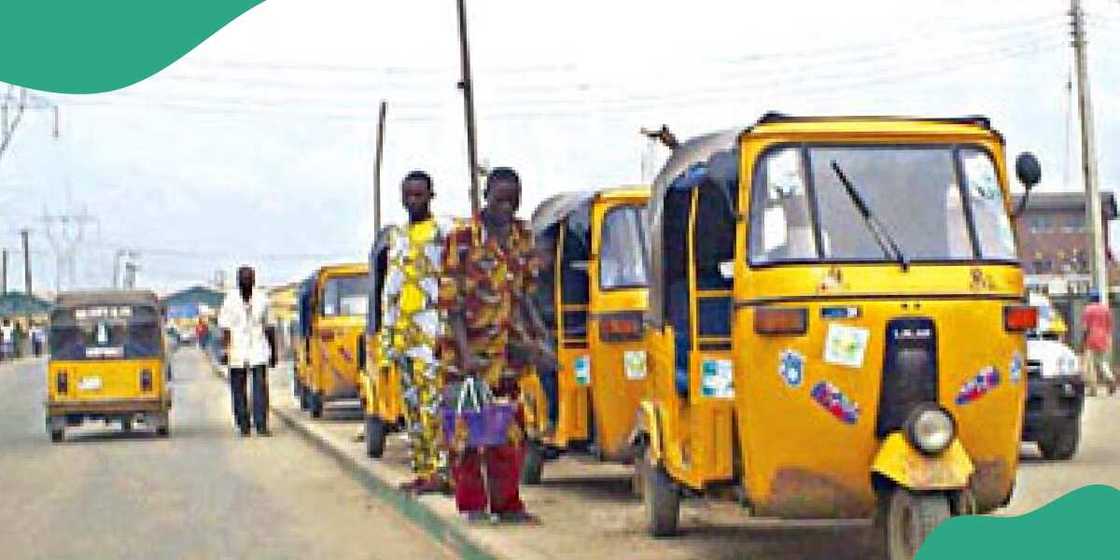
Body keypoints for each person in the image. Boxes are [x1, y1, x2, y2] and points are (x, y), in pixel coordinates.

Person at [438, 167, 556, 523]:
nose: (507, 207)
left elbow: (524, 294)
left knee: (508, 431)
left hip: (508, 351)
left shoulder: (523, 236)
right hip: (466, 353)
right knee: (468, 434)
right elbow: (451, 304)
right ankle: (473, 505)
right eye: (500, 199)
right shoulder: (461, 239)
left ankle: (507, 505)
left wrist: (540, 337)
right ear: (486, 196)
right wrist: (467, 354)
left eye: (514, 200)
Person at [377, 170, 451, 494]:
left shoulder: (444, 231)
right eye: (407, 195)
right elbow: (389, 287)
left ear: (431, 195)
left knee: (434, 405)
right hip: (402, 334)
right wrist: (387, 335)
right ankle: (422, 471)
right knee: (412, 410)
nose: (412, 201)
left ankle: (442, 473)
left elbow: (453, 281)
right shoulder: (397, 236)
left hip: (431, 332)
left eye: (419, 195)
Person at [218, 266, 277, 436]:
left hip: (258, 349)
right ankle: (243, 424)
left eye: (250, 278)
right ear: (238, 281)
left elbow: (269, 327)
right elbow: (225, 328)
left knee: (260, 389)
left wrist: (274, 351)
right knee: (238, 390)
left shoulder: (262, 299)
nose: (247, 281)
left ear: (254, 280)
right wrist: (225, 350)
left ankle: (261, 425)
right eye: (244, 278)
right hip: (236, 350)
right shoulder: (230, 300)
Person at [1080, 300, 1115, 396]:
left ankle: (1093, 389)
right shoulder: (1106, 310)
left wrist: (1083, 342)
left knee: (1090, 366)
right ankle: (1110, 378)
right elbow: (1109, 327)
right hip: (1104, 339)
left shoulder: (1088, 309)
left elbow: (1085, 329)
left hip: (1091, 339)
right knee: (1102, 362)